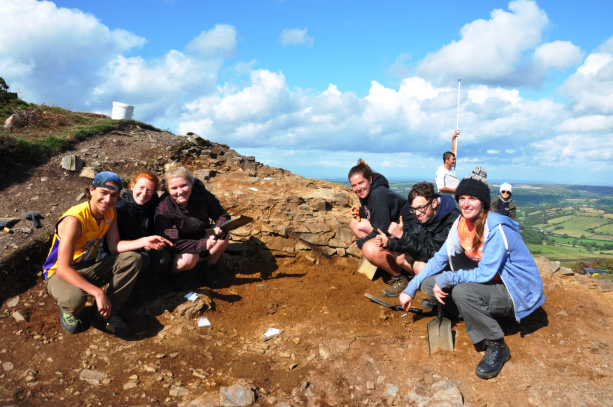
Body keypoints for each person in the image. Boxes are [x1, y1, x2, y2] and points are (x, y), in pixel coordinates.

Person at [399, 167, 544, 380]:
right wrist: (410, 288)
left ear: (483, 201)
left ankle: (496, 345)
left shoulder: (496, 228)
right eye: (462, 198)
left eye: (473, 198)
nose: (466, 203)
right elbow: (439, 259)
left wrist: (449, 278)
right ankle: (469, 313)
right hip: (492, 284)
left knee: (462, 292)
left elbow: (485, 272)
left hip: (516, 290)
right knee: (429, 284)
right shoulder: (461, 224)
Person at [43, 172, 172, 337]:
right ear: (92, 190)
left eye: (114, 196)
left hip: (89, 266)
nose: (108, 200)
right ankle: (69, 309)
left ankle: (105, 313)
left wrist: (145, 241)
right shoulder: (74, 220)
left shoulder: (110, 213)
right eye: (103, 193)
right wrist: (98, 292)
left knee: (134, 258)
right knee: (74, 301)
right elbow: (62, 268)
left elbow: (114, 246)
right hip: (59, 273)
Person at [346, 159, 416, 297]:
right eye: (354, 185)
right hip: (391, 230)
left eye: (361, 183)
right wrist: (361, 212)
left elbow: (381, 229)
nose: (358, 188)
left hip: (407, 235)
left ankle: (400, 278)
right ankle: (385, 261)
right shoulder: (371, 191)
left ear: (370, 179)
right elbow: (375, 213)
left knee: (368, 248)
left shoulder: (378, 195)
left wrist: (362, 242)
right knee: (355, 223)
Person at [155, 166, 231, 290]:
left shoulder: (200, 193)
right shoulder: (164, 207)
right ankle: (174, 275)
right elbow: (171, 242)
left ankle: (208, 267)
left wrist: (219, 227)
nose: (180, 192)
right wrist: (201, 245)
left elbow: (221, 214)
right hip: (181, 242)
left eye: (183, 185)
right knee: (189, 258)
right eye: (174, 188)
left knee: (224, 234)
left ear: (191, 183)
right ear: (168, 189)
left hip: (201, 232)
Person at [376, 181, 460, 278]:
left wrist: (402, 236)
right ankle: (418, 282)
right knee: (400, 258)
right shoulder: (424, 216)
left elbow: (431, 254)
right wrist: (389, 242)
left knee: (419, 266)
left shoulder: (451, 222)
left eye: (421, 207)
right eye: (414, 209)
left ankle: (434, 288)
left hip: (453, 268)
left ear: (434, 203)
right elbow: (412, 239)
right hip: (430, 257)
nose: (417, 213)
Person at [114, 171, 171, 300]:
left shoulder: (151, 205)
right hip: (123, 250)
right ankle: (130, 292)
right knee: (143, 259)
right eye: (141, 188)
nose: (144, 193)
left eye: (149, 190)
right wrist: (142, 246)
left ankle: (144, 284)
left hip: (146, 244)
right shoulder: (120, 209)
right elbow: (114, 243)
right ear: (132, 186)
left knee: (163, 257)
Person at [435, 129, 459, 195]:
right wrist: (454, 190)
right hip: (443, 200)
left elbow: (454, 151)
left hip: (450, 199)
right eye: (453, 160)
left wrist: (453, 138)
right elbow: (441, 188)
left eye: (455, 159)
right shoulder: (441, 171)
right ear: (446, 160)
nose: (454, 161)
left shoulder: (450, 169)